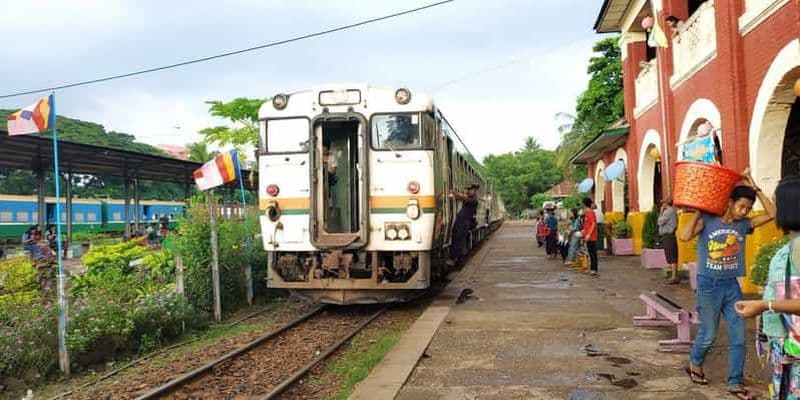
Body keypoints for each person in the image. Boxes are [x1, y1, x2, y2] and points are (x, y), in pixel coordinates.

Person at [681, 172, 776, 399]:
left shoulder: (744, 225)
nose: (744, 212)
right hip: (708, 285)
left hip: (732, 286)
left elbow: (773, 214)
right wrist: (697, 212)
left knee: (739, 335)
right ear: (730, 202)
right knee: (709, 333)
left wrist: (755, 188)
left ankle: (735, 381)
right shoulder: (708, 220)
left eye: (748, 208)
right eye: (741, 206)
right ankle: (695, 363)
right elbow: (685, 236)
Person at [734, 176, 800, 400]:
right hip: (786, 340)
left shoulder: (799, 246)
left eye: (777, 203)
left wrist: (763, 305)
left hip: (793, 343)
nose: (775, 210)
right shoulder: (793, 244)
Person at [448, 184, 480, 266]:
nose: (468, 191)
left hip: (464, 223)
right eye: (468, 189)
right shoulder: (470, 199)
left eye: (470, 190)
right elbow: (463, 197)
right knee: (457, 240)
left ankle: (457, 260)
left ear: (475, 190)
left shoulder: (474, 200)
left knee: (459, 241)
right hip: (461, 222)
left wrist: (453, 192)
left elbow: (463, 198)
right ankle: (457, 259)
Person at [659, 198, 680, 284]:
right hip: (669, 235)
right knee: (671, 255)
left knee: (671, 255)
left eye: (663, 203)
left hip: (668, 235)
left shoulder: (668, 211)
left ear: (666, 203)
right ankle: (673, 275)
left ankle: (674, 277)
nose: (662, 205)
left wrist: (661, 212)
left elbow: (660, 222)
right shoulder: (672, 211)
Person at [581, 198, 599, 275]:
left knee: (592, 253)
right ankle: (591, 268)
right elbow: (588, 224)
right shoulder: (587, 213)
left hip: (591, 236)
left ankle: (594, 269)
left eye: (582, 203)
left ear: (584, 204)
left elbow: (593, 224)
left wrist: (589, 234)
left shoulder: (590, 213)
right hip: (588, 236)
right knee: (590, 252)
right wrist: (584, 231)